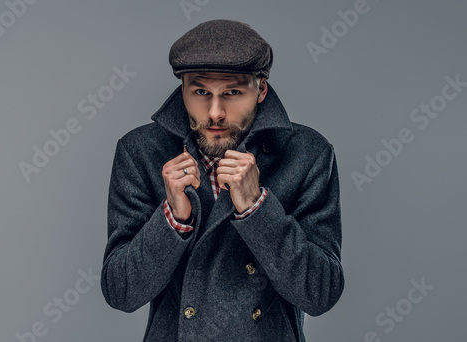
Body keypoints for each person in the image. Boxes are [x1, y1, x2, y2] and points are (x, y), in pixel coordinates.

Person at [101, 19, 344, 342]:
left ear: (261, 90)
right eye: (201, 91)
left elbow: (321, 293)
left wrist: (258, 209)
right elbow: (121, 293)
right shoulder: (141, 151)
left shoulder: (307, 153)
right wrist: (172, 219)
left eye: (232, 92)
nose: (215, 112)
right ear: (183, 90)